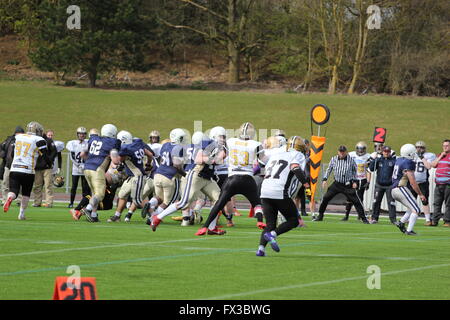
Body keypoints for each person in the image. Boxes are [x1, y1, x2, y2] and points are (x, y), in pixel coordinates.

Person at [195, 122, 265, 235]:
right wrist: (254, 170)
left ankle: (205, 227)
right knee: (257, 203)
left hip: (232, 178)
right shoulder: (256, 144)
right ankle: (260, 221)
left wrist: (210, 161)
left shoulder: (231, 141)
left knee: (219, 204)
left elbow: (220, 159)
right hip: (248, 178)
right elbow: (262, 163)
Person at [150, 131, 225, 233]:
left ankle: (212, 228)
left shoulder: (217, 146)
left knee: (219, 200)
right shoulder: (207, 143)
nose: (223, 139)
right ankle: (157, 218)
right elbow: (199, 160)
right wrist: (213, 160)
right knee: (183, 202)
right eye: (221, 137)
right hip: (196, 175)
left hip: (207, 177)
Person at [256, 136, 309, 257]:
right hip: (279, 191)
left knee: (270, 224)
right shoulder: (297, 155)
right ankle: (272, 235)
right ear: (301, 147)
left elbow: (261, 164)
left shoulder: (277, 154)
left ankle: (260, 249)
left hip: (265, 190)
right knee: (293, 220)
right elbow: (295, 167)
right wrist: (305, 182)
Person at [3, 122, 51, 220]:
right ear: (37, 131)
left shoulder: (18, 137)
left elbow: (12, 154)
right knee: (26, 193)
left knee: (13, 191)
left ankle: (9, 198)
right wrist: (50, 164)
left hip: (15, 168)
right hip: (28, 170)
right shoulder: (39, 139)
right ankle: (21, 214)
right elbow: (45, 156)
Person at [313, 145, 369, 223]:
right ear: (338, 152)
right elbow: (329, 169)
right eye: (340, 151)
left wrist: (355, 181)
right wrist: (325, 179)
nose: (342, 153)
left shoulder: (351, 160)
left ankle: (364, 219)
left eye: (343, 152)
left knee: (356, 201)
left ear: (346, 152)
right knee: (325, 198)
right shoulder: (334, 159)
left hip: (347, 185)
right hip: (337, 184)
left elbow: (354, 171)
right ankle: (320, 215)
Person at [107, 130, 154, 223]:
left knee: (138, 199)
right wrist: (148, 164)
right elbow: (150, 154)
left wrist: (110, 155)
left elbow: (117, 161)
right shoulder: (137, 144)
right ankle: (117, 216)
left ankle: (153, 216)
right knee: (122, 195)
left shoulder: (126, 148)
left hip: (138, 176)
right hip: (131, 177)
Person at [80, 124, 121, 222]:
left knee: (94, 193)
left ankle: (93, 215)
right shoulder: (112, 142)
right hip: (97, 169)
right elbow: (115, 160)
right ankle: (88, 209)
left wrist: (91, 160)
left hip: (87, 168)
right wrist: (120, 163)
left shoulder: (94, 139)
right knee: (100, 194)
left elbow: (82, 154)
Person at [391, 144, 427, 235]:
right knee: (417, 210)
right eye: (413, 153)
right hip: (400, 188)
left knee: (412, 207)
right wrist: (421, 194)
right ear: (409, 154)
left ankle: (401, 223)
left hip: (395, 189)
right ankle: (409, 230)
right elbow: (413, 182)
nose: (415, 155)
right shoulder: (408, 162)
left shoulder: (399, 160)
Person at [367, 145, 397, 223]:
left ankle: (393, 219)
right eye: (385, 151)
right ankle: (374, 218)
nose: (386, 153)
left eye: (388, 152)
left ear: (390, 152)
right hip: (379, 185)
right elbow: (370, 169)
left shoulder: (393, 161)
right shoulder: (379, 160)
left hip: (390, 185)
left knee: (391, 203)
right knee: (376, 201)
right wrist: (374, 160)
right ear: (382, 152)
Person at [343, 141, 371, 221]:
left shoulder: (368, 156)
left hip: (362, 179)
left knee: (360, 198)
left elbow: (369, 170)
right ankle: (346, 215)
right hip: (352, 178)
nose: (360, 151)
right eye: (359, 149)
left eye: (362, 149)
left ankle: (360, 214)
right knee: (349, 198)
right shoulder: (351, 155)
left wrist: (368, 182)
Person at [412, 141, 436, 225]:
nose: (419, 149)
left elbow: (428, 166)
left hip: (423, 182)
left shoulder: (429, 155)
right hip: (413, 182)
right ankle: (408, 218)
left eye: (421, 147)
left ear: (424, 148)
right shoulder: (412, 155)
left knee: (424, 200)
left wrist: (421, 157)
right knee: (411, 201)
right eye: (417, 147)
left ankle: (427, 220)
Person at [66, 127, 91, 208]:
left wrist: (85, 165)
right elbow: (72, 157)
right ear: (77, 134)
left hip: (85, 168)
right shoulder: (73, 143)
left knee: (85, 188)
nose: (82, 135)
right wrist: (78, 165)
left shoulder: (88, 142)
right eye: (80, 134)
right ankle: (71, 203)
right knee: (74, 187)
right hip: (76, 168)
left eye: (83, 134)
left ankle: (84, 204)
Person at [32, 129, 57, 208]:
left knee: (48, 185)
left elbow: (54, 151)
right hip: (37, 167)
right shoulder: (33, 140)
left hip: (47, 167)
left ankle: (49, 202)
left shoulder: (48, 140)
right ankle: (37, 202)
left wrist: (49, 161)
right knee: (37, 186)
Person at [0, 126, 25, 204]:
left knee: (20, 183)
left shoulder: (25, 141)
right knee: (5, 182)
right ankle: (4, 199)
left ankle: (20, 200)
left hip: (20, 166)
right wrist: (2, 154)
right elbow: (1, 147)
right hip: (8, 165)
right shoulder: (9, 140)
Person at [430, 139, 450, 226]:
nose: (445, 147)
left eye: (447, 146)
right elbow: (433, 165)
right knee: (436, 203)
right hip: (438, 184)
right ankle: (435, 220)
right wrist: (441, 156)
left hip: (448, 184)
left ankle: (447, 221)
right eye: (444, 146)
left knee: (448, 203)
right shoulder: (440, 155)